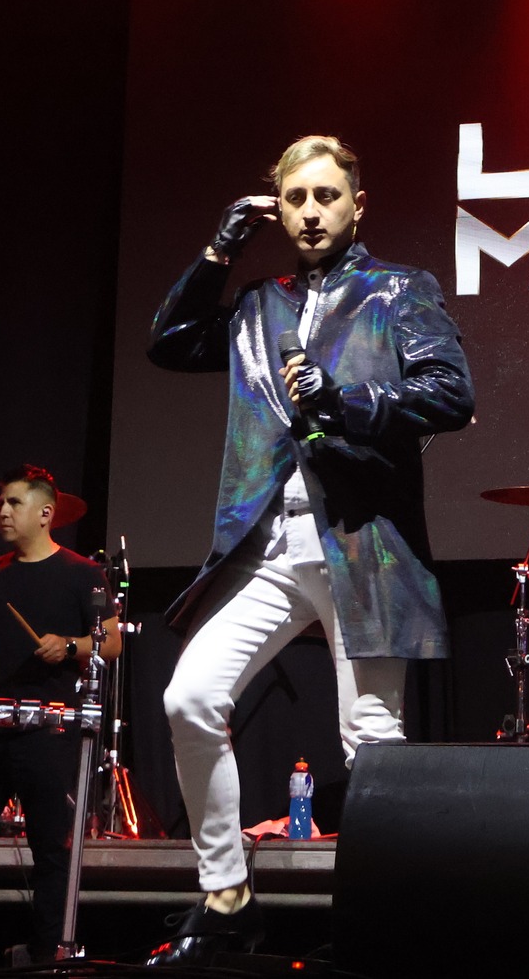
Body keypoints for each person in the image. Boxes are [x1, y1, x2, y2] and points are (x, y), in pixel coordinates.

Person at [144, 135, 474, 965]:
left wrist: (346, 400)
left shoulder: (398, 288)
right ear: (277, 209)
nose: (311, 212)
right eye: (296, 199)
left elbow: (451, 393)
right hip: (274, 541)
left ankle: (380, 922)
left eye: (327, 196)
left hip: (363, 540)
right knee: (188, 698)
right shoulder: (260, 302)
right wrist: (220, 247)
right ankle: (225, 897)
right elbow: (170, 337)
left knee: (370, 739)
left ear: (357, 204)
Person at [0, 466, 121, 973]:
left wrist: (72, 645)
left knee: (50, 847)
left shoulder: (82, 573)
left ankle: (46, 952)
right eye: (2, 504)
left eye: (14, 503)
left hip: (49, 726)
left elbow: (113, 641)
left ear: (45, 513)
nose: (3, 512)